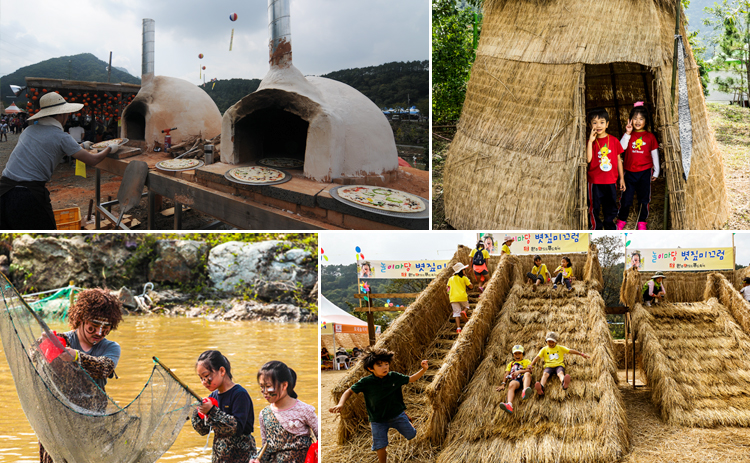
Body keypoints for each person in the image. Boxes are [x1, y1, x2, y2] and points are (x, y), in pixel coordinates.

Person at [0, 92, 119, 229]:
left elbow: (49, 150)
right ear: (60, 115)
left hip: (4, 190)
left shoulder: (29, 130)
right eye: (66, 113)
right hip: (27, 196)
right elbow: (93, 160)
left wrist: (80, 146)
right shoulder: (62, 137)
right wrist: (110, 147)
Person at [40, 288, 123, 463]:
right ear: (80, 320)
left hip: (92, 422)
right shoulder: (63, 340)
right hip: (57, 424)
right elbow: (35, 362)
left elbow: (105, 368)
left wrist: (76, 356)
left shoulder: (111, 348)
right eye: (93, 327)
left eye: (105, 328)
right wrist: (44, 348)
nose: (99, 333)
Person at [329, 347, 429, 463]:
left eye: (386, 364)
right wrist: (341, 404)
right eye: (380, 365)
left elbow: (411, 379)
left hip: (397, 415)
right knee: (380, 445)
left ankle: (407, 420)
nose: (385, 367)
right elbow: (349, 391)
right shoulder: (366, 382)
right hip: (377, 420)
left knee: (411, 435)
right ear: (371, 368)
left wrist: (423, 369)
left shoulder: (394, 377)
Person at [192, 350, 256, 463]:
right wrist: (198, 413)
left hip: (242, 457)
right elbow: (203, 430)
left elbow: (237, 428)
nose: (203, 382)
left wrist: (211, 411)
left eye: (206, 376)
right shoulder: (213, 397)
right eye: (201, 378)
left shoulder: (239, 394)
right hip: (219, 457)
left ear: (222, 371)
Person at [250, 361, 318, 463]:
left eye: (268, 386)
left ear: (284, 385)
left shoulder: (305, 410)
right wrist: (257, 459)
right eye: (261, 387)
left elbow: (320, 440)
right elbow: (265, 448)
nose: (264, 391)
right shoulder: (264, 414)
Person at [616, 102, 660, 231]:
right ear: (630, 120)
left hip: (645, 172)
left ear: (646, 121)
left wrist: (656, 172)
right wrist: (628, 133)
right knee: (626, 198)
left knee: (644, 198)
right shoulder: (628, 136)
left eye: (641, 119)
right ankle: (622, 219)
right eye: (635, 118)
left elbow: (655, 155)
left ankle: (642, 222)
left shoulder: (650, 137)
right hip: (629, 172)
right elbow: (621, 148)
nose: (637, 121)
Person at [587, 107, 625, 230]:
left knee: (611, 206)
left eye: (602, 122)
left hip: (610, 181)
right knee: (594, 207)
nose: (598, 125)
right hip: (595, 181)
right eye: (594, 122)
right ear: (590, 125)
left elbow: (619, 160)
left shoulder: (613, 141)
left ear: (607, 124)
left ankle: (609, 226)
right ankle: (595, 228)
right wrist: (590, 141)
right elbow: (588, 159)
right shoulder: (591, 142)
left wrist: (621, 179)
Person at [529, 332, 590, 397]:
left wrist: (581, 354)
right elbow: (537, 357)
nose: (551, 343)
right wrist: (531, 364)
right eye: (549, 341)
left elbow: (570, 351)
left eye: (553, 341)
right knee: (545, 374)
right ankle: (541, 387)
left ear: (556, 342)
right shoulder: (544, 349)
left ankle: (564, 382)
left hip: (559, 365)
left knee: (560, 373)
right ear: (546, 341)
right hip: (548, 366)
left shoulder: (560, 348)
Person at [496, 345, 533, 414]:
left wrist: (519, 371)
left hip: (523, 378)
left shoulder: (527, 361)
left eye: (519, 353)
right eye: (515, 354)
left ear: (523, 354)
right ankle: (509, 405)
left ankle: (525, 391)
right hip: (516, 380)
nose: (517, 355)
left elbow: (530, 371)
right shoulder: (511, 364)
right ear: (513, 355)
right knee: (511, 384)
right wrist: (503, 384)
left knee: (527, 374)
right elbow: (506, 374)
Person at [447, 262, 472, 333]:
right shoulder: (464, 278)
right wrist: (467, 278)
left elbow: (448, 288)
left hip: (453, 298)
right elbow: (471, 286)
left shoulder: (451, 279)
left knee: (456, 313)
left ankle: (458, 328)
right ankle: (464, 311)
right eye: (464, 269)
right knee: (467, 306)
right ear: (462, 271)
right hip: (462, 296)